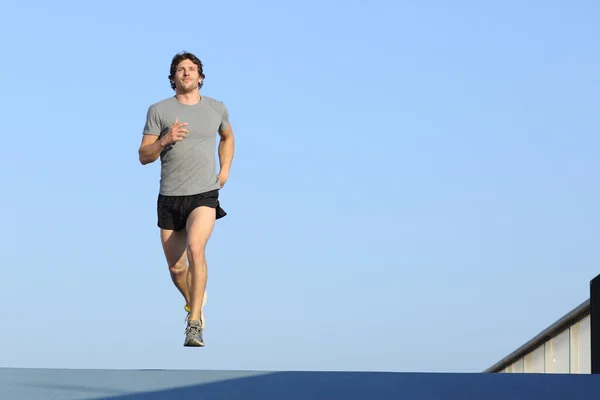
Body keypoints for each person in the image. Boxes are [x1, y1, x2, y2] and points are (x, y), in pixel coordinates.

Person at [138, 51, 235, 347]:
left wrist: (225, 171)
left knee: (196, 250)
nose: (186, 73)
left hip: (203, 194)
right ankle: (194, 299)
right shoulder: (159, 110)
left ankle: (194, 324)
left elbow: (227, 137)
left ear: (200, 77)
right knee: (177, 269)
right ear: (173, 79)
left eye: (191, 69)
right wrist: (165, 140)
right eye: (180, 69)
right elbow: (143, 156)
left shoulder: (216, 108)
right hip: (170, 196)